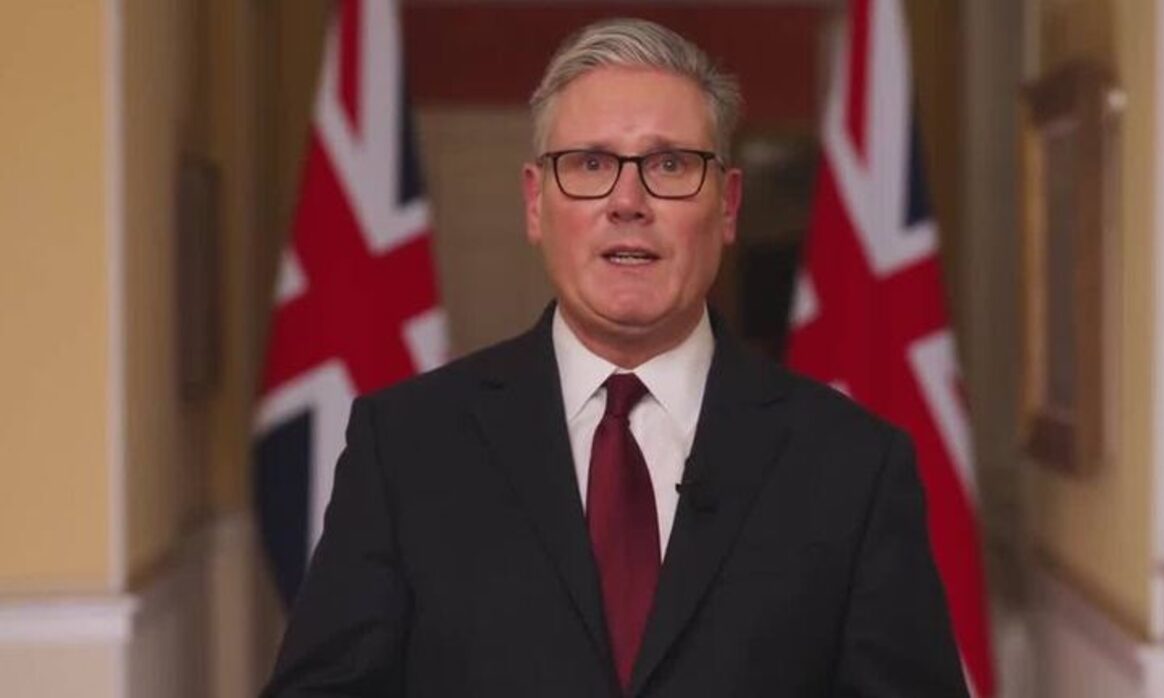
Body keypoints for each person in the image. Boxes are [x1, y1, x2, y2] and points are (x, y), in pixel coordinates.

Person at [262, 18, 967, 698]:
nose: (628, 201)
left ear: (727, 205)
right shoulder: (406, 446)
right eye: (591, 164)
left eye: (670, 164)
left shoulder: (854, 465)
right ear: (535, 203)